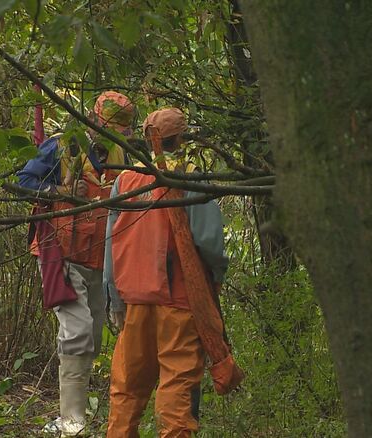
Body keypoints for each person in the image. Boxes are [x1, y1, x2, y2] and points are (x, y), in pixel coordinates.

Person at [103, 108, 229, 437]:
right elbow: (210, 244)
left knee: (127, 387)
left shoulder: (125, 180)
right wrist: (216, 278)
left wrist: (114, 299)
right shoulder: (189, 177)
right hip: (179, 301)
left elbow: (110, 245)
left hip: (134, 300)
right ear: (182, 139)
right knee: (177, 385)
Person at [17, 91, 135, 436]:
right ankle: (72, 422)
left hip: (98, 254)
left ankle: (74, 413)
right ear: (93, 120)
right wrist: (60, 192)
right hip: (61, 250)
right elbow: (25, 181)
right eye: (109, 127)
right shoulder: (61, 147)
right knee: (78, 330)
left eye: (120, 130)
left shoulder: (120, 152)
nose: (114, 135)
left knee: (93, 335)